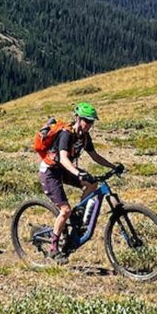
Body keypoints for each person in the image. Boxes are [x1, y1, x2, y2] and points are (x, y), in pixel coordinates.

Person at [39, 102, 122, 263]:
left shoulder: (84, 136)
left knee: (92, 184)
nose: (89, 125)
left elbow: (95, 156)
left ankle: (78, 215)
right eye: (86, 120)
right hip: (50, 172)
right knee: (64, 210)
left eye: (91, 122)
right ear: (77, 118)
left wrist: (114, 166)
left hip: (65, 170)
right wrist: (78, 172)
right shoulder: (66, 134)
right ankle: (54, 249)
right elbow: (63, 158)